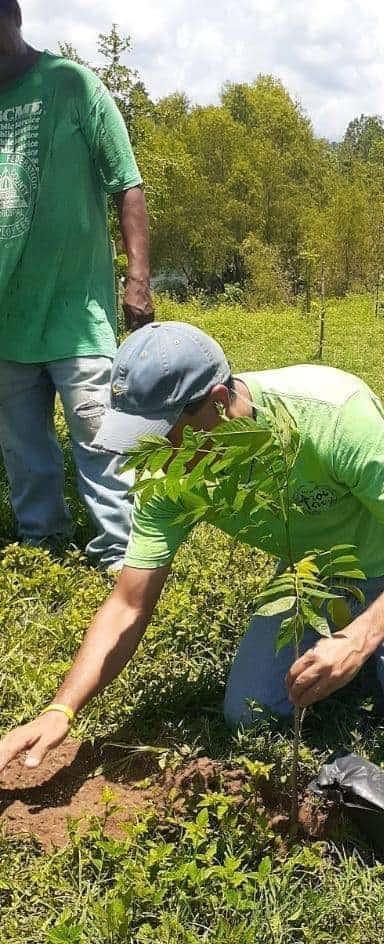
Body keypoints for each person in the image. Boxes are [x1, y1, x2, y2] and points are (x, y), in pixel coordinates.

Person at [0, 321, 384, 776]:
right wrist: (60, 709)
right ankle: (370, 649)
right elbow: (130, 602)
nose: (155, 453)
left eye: (164, 435)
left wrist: (359, 640)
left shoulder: (332, 414)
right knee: (249, 717)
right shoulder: (168, 471)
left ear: (216, 400)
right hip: (312, 578)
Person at [0, 0, 154, 570]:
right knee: (23, 451)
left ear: (13, 17)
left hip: (77, 312)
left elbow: (127, 183)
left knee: (101, 440)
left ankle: (122, 562)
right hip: (6, 318)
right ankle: (40, 553)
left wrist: (136, 277)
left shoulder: (73, 84)